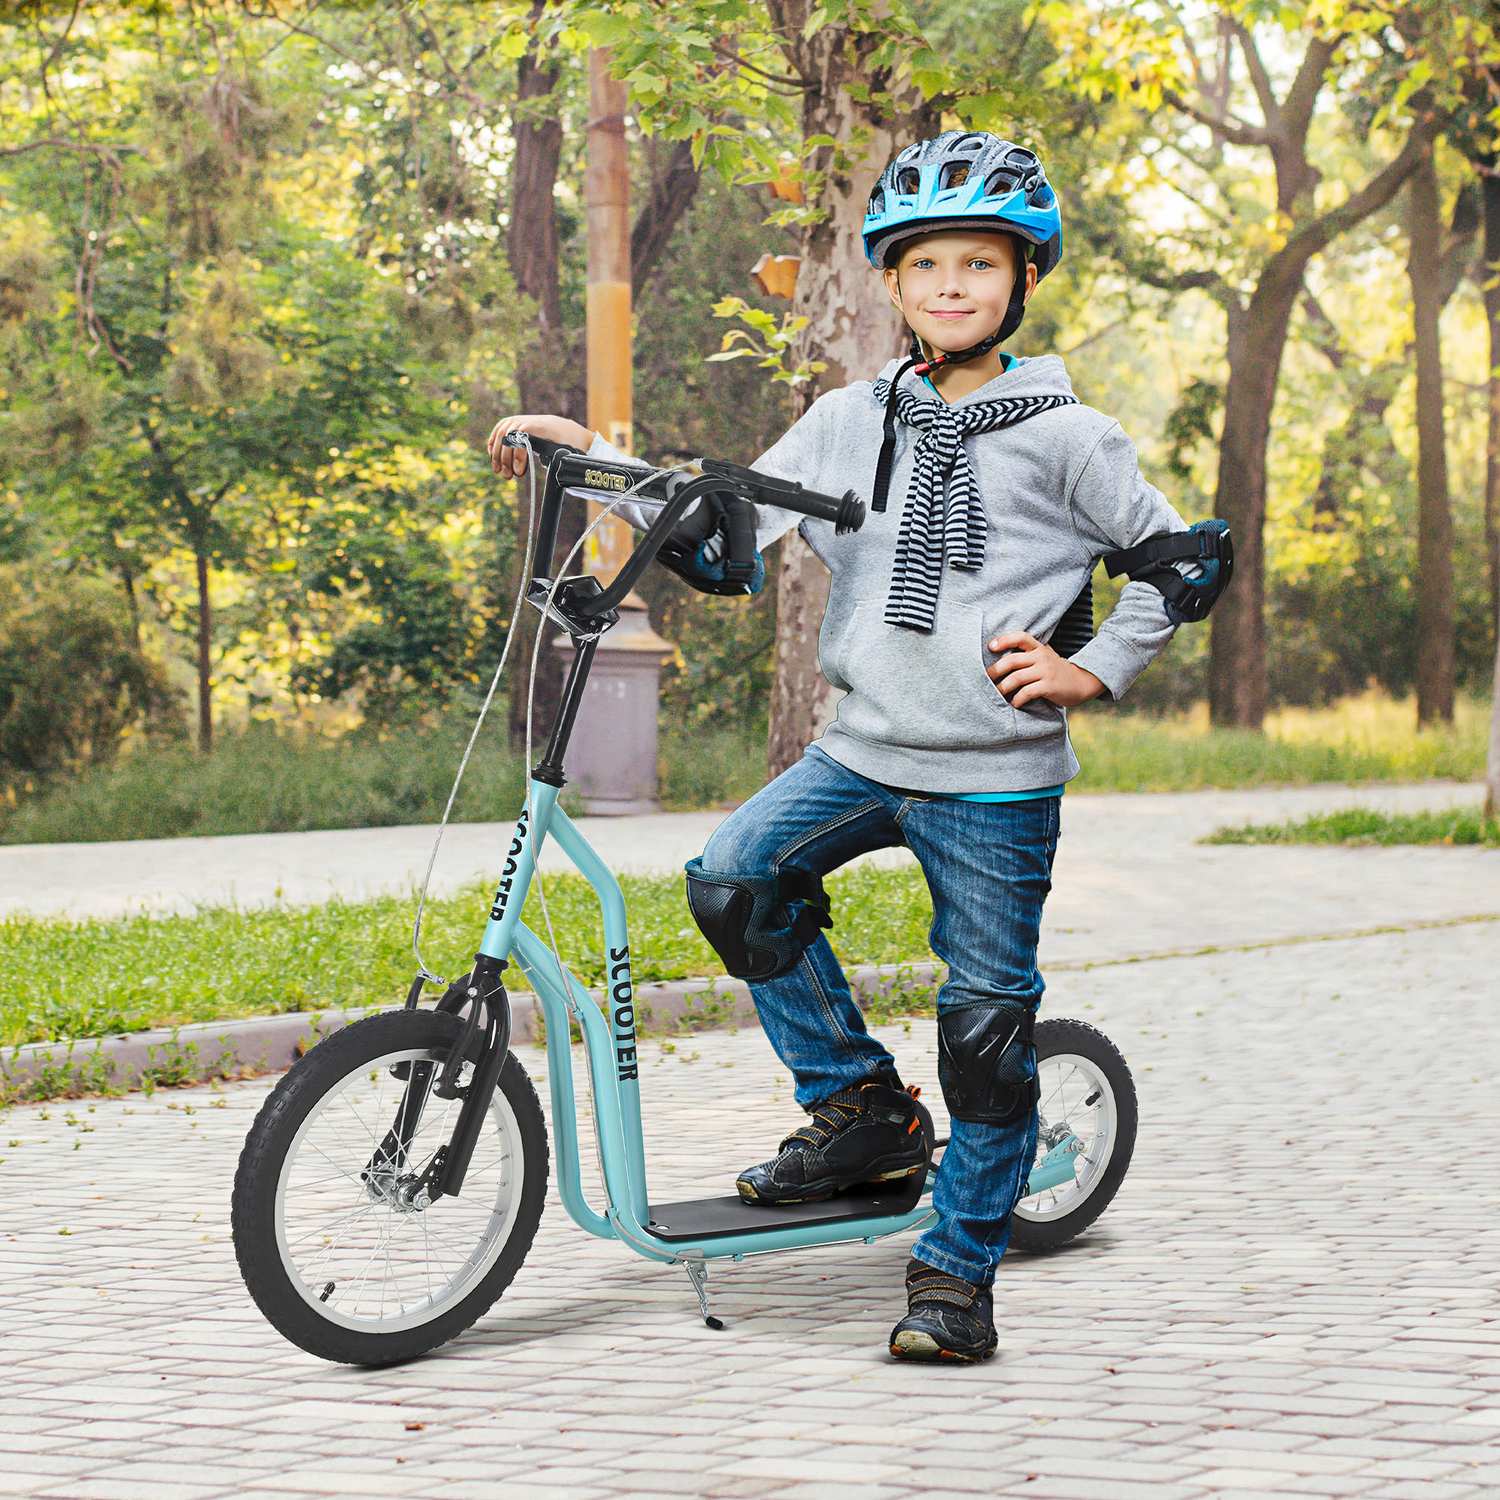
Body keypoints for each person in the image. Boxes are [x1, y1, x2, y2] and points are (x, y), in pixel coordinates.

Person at [488, 130, 1196, 1364]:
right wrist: (592, 456)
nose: (953, 287)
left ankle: (957, 1275)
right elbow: (718, 527)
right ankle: (861, 1108)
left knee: (983, 1031)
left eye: (981, 264)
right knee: (734, 881)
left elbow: (1182, 559)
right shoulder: (844, 420)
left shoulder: (1073, 434)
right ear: (894, 283)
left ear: (1024, 280)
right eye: (927, 267)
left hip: (994, 779)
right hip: (860, 750)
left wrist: (1093, 667)